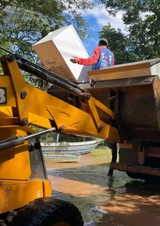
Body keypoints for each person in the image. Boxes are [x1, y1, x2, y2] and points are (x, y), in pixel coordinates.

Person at [70, 38, 117, 177]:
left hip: (98, 80)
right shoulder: (111, 54)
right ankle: (112, 168)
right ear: (107, 45)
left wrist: (78, 60)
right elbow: (113, 67)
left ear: (99, 44)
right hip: (108, 81)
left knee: (91, 101)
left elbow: (93, 61)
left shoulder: (98, 50)